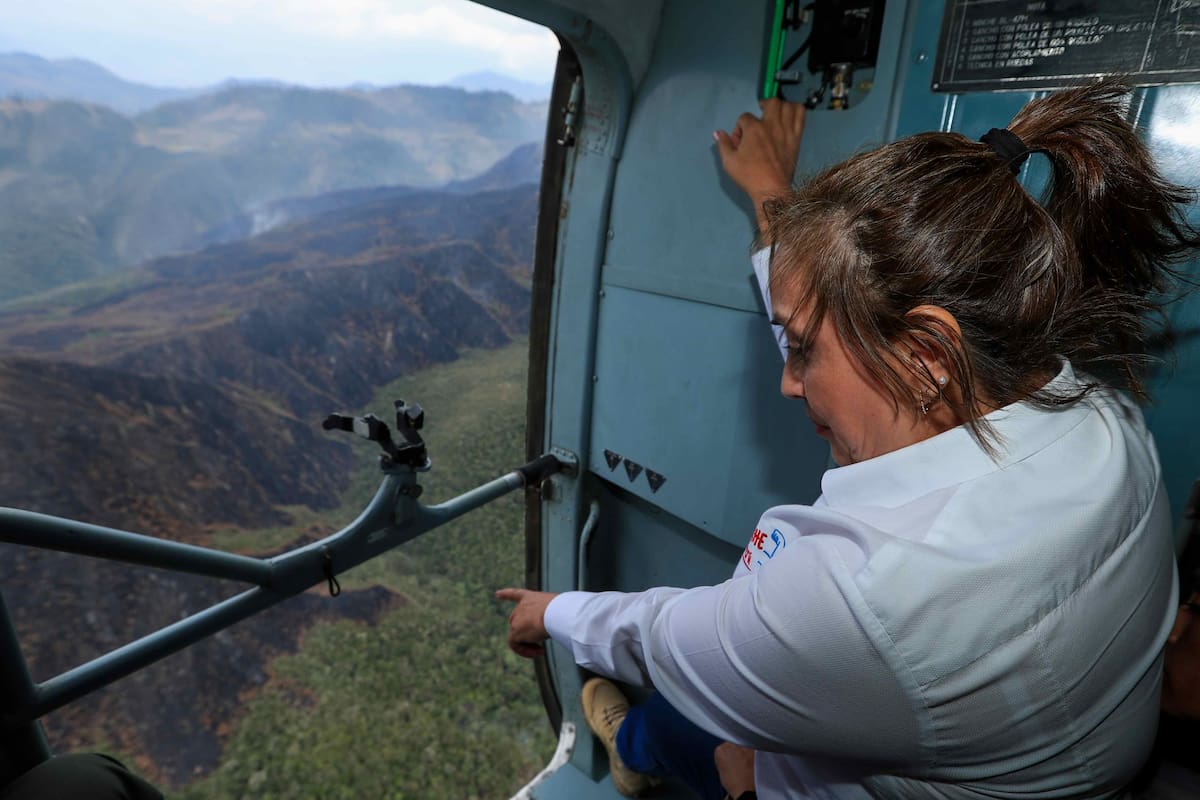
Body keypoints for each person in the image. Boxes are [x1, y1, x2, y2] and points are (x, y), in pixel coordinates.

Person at [498, 80, 1199, 798]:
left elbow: (670, 636)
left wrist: (551, 612)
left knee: (717, 740)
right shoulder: (1106, 420)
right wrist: (772, 190)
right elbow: (845, 320)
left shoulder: (868, 599)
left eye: (803, 351)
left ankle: (642, 751)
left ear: (926, 358)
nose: (788, 381)